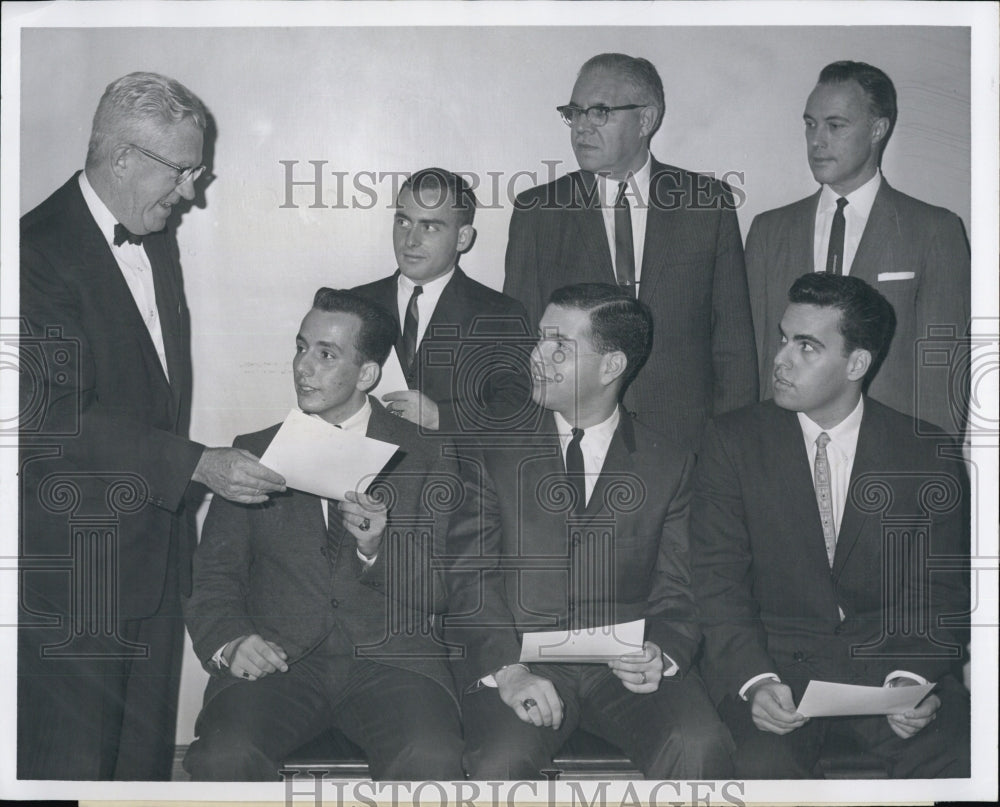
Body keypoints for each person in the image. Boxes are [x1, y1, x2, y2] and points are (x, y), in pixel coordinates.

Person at [18, 71, 285, 780]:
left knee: (136, 775)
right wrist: (197, 464)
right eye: (183, 170)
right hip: (77, 575)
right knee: (66, 772)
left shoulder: (152, 231)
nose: (192, 191)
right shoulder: (30, 254)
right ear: (122, 158)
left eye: (198, 171)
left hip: (155, 563)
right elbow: (51, 421)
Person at [445, 283, 734, 779]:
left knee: (700, 745)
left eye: (559, 345)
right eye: (539, 339)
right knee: (499, 762)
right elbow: (469, 578)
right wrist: (509, 673)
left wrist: (661, 655)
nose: (537, 356)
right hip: (521, 663)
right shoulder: (489, 450)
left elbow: (679, 594)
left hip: (624, 669)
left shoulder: (670, 464)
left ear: (611, 366)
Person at [692, 272, 970, 778]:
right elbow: (716, 584)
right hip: (776, 676)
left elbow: (941, 594)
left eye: (807, 347)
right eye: (783, 339)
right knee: (754, 771)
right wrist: (754, 681)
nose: (780, 359)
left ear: (856, 363)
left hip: (888, 676)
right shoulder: (732, 441)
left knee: (962, 756)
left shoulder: (924, 452)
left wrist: (913, 680)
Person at [182, 288, 464, 781]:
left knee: (432, 758)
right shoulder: (251, 453)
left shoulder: (428, 455)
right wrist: (229, 640)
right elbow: (213, 579)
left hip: (394, 664)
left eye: (326, 354)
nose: (302, 367)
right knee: (223, 758)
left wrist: (377, 550)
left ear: (368, 374)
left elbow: (446, 590)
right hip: (279, 662)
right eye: (300, 347)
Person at [503, 53, 758, 452]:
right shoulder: (540, 211)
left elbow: (733, 344)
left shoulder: (706, 204)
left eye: (600, 112)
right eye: (575, 112)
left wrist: (731, 447)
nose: (581, 127)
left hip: (685, 441)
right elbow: (518, 340)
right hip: (573, 439)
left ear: (646, 120)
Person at [746, 61, 970, 434]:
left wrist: (927, 467)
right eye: (810, 124)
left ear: (878, 129)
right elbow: (754, 354)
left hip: (889, 451)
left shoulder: (934, 230)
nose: (817, 140)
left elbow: (944, 368)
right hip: (785, 448)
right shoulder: (769, 230)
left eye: (835, 126)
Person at [353, 167, 532, 435]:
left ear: (463, 238)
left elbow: (517, 411)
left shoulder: (502, 315)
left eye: (429, 227)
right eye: (403, 222)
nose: (410, 240)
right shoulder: (352, 305)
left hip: (457, 474)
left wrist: (441, 418)